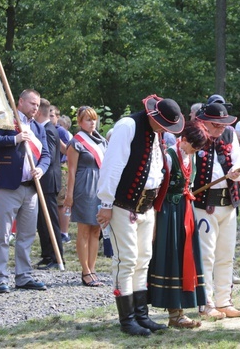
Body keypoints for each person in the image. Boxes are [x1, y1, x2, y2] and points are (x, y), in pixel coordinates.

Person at [96, 94, 185, 336]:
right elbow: (112, 166)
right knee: (126, 260)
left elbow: (155, 169)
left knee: (143, 258)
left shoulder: (155, 134)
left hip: (146, 206)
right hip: (122, 204)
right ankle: (127, 320)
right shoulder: (128, 126)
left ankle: (141, 316)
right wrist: (105, 202)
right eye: (165, 125)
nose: (166, 130)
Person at [0, 89, 51, 294]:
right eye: (32, 103)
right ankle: (1, 278)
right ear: (20, 102)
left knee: (27, 235)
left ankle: (23, 276)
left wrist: (41, 168)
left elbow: (46, 155)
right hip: (8, 187)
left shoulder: (38, 128)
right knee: (2, 235)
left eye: (38, 105)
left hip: (30, 188)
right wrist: (15, 139)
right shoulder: (7, 121)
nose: (35, 108)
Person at [148, 121, 210, 329]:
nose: (196, 151)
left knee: (186, 258)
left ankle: (179, 314)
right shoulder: (168, 156)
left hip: (185, 210)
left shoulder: (189, 156)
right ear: (184, 140)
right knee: (171, 257)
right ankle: (173, 313)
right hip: (168, 213)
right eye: (194, 146)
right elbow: (157, 188)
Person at [192, 102, 240, 320]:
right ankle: (206, 302)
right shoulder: (194, 135)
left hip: (228, 203)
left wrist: (236, 170)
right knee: (206, 256)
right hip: (205, 205)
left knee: (226, 255)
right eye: (216, 125)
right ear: (204, 121)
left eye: (223, 124)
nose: (220, 129)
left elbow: (239, 157)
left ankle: (224, 300)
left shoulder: (229, 135)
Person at [64, 106, 107, 287]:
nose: (92, 123)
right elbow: (71, 171)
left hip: (99, 186)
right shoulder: (76, 142)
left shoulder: (102, 142)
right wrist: (69, 195)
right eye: (88, 120)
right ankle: (85, 271)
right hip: (84, 186)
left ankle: (93, 267)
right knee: (84, 229)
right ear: (80, 122)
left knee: (96, 230)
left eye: (94, 119)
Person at [34, 98, 64, 270]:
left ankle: (56, 255)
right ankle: (47, 254)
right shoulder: (43, 128)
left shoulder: (49, 130)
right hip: (42, 180)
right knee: (41, 221)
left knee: (51, 221)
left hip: (48, 181)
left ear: (39, 112)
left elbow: (50, 156)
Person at [52, 108, 73, 243]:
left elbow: (68, 151)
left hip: (61, 168)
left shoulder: (60, 131)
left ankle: (64, 233)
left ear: (57, 117)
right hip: (50, 169)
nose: (48, 117)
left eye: (52, 115)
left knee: (62, 203)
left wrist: (58, 141)